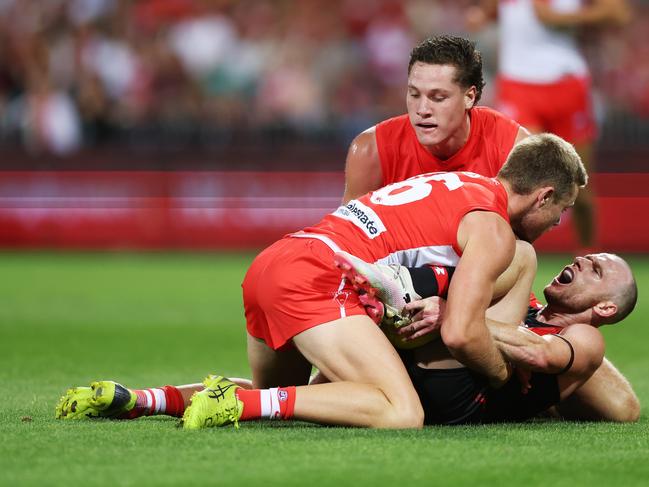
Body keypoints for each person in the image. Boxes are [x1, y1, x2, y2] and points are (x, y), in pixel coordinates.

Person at [56, 133, 585, 429]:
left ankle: (140, 397)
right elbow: (464, 334)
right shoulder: (492, 227)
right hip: (318, 275)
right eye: (559, 214)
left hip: (276, 260)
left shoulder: (456, 182)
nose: (555, 226)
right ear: (543, 196)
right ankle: (234, 403)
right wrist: (501, 378)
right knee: (401, 413)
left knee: (281, 396)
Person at [337, 250, 639, 423]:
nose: (579, 261)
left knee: (520, 254)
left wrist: (455, 315)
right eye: (585, 258)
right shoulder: (525, 304)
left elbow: (541, 354)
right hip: (431, 380)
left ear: (606, 307)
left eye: (595, 270)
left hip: (462, 401)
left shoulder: (584, 337)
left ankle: (397, 286)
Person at [466, 0, 631, 250]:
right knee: (518, 181)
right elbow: (494, 9)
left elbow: (618, 12)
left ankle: (587, 258)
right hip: (518, 85)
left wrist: (563, 18)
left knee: (581, 189)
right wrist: (482, 14)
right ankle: (506, 260)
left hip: (566, 83)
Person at [342, 34, 529, 203]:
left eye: (438, 98)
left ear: (469, 97)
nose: (422, 110)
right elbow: (349, 236)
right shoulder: (371, 151)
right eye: (414, 95)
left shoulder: (513, 148)